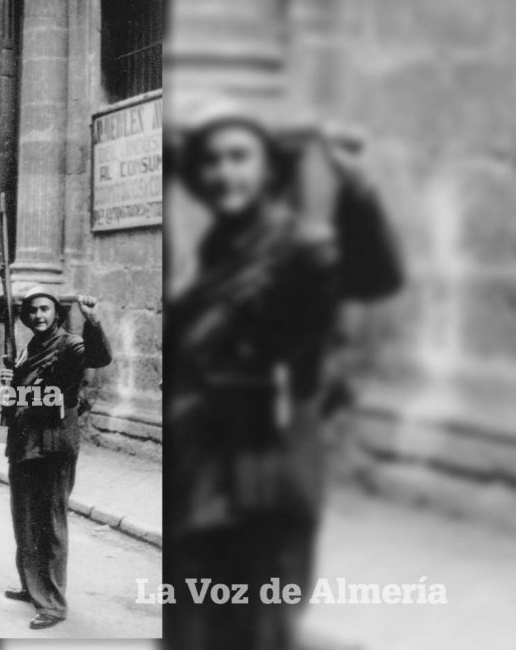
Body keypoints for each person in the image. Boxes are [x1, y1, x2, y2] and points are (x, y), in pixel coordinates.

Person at [165, 98, 402, 650]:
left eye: (238, 157)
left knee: (252, 622)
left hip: (261, 471)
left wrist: (358, 189)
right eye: (212, 161)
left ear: (269, 167)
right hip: (207, 465)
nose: (224, 172)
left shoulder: (301, 244)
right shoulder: (222, 244)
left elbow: (373, 279)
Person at [0, 288, 111, 630]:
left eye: (44, 309)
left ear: (56, 313)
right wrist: (9, 385)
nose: (38, 316)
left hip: (53, 443)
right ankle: (32, 585)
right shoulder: (28, 348)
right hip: (23, 442)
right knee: (24, 518)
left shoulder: (70, 344)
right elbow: (19, 396)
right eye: (32, 311)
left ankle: (52, 603)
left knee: (49, 522)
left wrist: (93, 321)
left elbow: (98, 357)